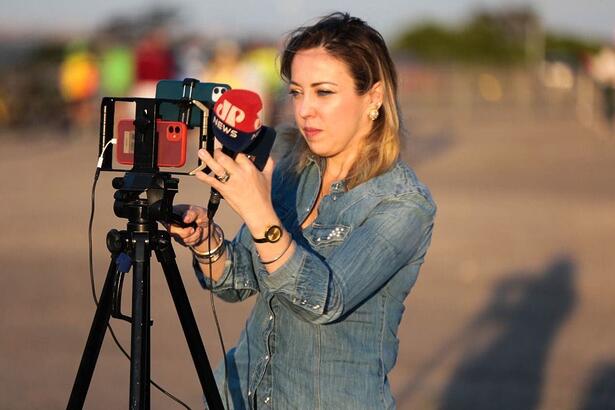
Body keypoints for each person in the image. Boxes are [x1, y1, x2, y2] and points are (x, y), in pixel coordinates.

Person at [168, 12, 436, 409]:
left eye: (323, 92)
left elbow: (325, 301)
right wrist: (206, 241)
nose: (304, 110)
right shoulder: (291, 167)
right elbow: (238, 281)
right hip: (239, 396)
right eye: (296, 92)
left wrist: (259, 211)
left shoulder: (401, 202)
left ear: (374, 97)